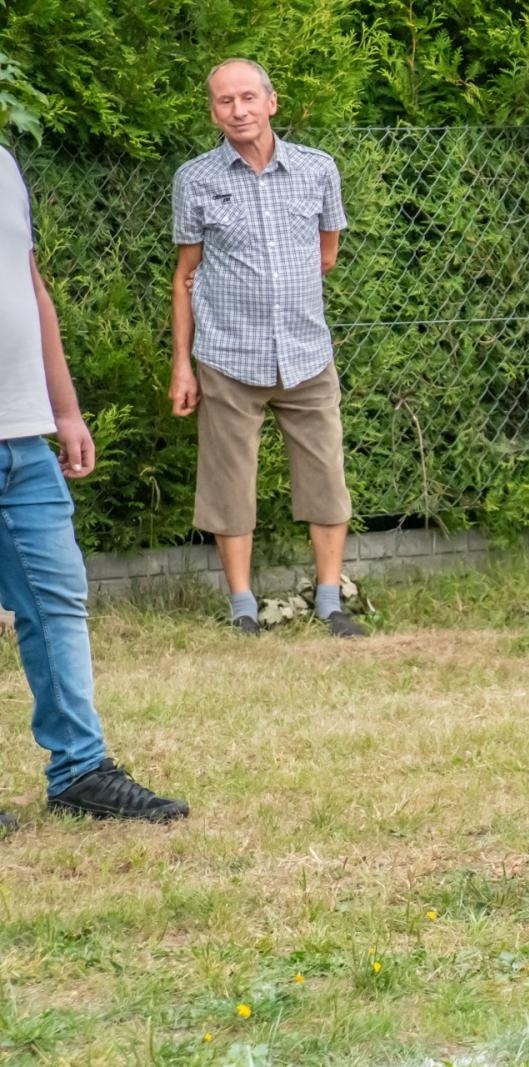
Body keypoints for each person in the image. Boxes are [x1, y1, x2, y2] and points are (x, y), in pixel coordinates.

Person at [0, 145, 189, 828]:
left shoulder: (4, 164)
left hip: (22, 437)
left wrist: (65, 409)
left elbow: (31, 290)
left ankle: (79, 769)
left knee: (57, 601)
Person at [170, 58, 365, 638]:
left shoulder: (318, 170)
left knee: (326, 474)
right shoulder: (196, 179)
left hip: (307, 354)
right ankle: (242, 608)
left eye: (249, 98)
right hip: (228, 358)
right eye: (226, 101)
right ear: (213, 112)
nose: (239, 110)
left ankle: (330, 600)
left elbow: (325, 254)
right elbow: (185, 276)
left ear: (271, 103)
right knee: (230, 484)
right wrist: (183, 364)